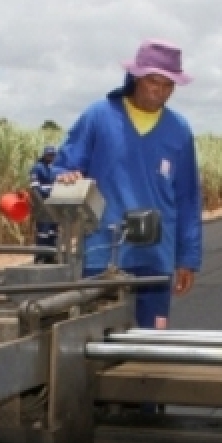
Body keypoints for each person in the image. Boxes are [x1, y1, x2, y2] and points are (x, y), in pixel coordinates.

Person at [51, 39, 202, 328]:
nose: (160, 91)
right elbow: (65, 167)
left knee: (150, 341)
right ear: (136, 77)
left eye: (168, 85)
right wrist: (66, 176)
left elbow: (188, 198)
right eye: (153, 82)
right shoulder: (99, 116)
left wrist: (187, 258)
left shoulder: (178, 130)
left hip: (156, 254)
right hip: (102, 251)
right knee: (96, 337)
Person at [29, 145, 59, 264]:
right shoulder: (37, 168)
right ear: (44, 155)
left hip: (52, 204)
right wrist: (41, 204)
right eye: (49, 155)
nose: (51, 157)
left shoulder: (52, 169)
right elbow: (35, 188)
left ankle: (50, 256)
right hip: (42, 205)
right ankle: (40, 256)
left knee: (52, 231)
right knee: (43, 232)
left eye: (53, 155)